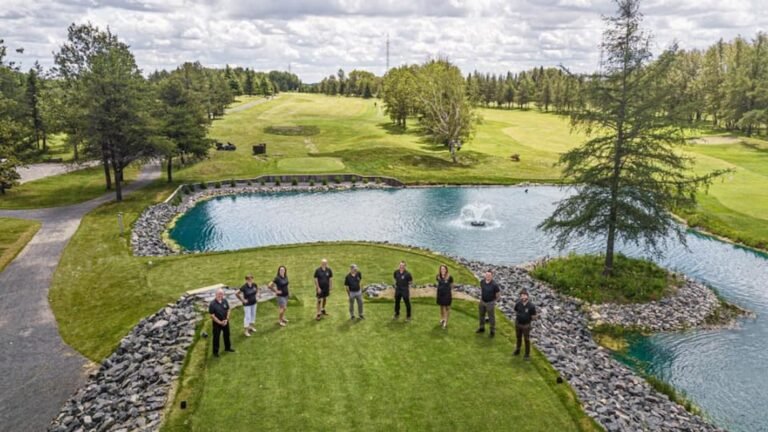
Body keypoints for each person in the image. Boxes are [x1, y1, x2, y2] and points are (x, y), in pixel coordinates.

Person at [209, 288, 235, 357]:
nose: (220, 295)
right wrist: (220, 322)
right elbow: (212, 316)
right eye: (219, 294)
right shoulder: (212, 304)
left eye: (222, 294)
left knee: (227, 335)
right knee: (216, 337)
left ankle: (228, 348)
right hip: (217, 324)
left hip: (225, 321)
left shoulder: (225, 301)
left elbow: (228, 309)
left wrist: (227, 319)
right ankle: (215, 352)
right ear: (216, 294)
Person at [513, 289, 537, 360]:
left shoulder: (531, 306)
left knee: (526, 339)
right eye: (522, 296)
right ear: (520, 297)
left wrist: (528, 320)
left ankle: (527, 354)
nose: (523, 297)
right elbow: (515, 310)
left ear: (527, 296)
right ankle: (517, 349)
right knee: (518, 337)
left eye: (524, 296)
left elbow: (534, 316)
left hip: (526, 325)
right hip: (518, 323)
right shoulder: (518, 304)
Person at [476, 269, 500, 337]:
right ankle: (481, 328)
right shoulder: (482, 282)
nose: (487, 276)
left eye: (489, 275)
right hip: (482, 301)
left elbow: (498, 295)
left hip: (490, 303)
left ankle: (492, 331)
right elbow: (482, 289)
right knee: (481, 315)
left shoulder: (495, 285)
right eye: (486, 275)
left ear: (492, 276)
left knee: (491, 318)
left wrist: (493, 302)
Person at [436, 264, 453, 329]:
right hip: (440, 294)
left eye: (444, 269)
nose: (442, 270)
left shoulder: (449, 277)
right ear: (440, 270)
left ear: (446, 270)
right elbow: (439, 283)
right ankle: (442, 318)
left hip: (447, 294)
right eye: (441, 269)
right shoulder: (438, 276)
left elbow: (451, 285)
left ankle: (445, 321)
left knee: (446, 308)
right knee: (441, 307)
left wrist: (447, 290)